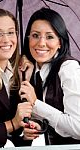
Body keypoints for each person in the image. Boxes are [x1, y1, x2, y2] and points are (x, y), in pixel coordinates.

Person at [19, 7, 80, 145]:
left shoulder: (69, 69)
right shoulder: (33, 71)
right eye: (35, 35)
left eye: (50, 36)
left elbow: (78, 127)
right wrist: (37, 127)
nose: (41, 43)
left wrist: (36, 103)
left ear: (60, 42)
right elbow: (51, 119)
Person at [0, 7, 34, 148]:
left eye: (11, 32)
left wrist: (25, 135)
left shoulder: (16, 76)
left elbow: (14, 139)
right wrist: (12, 124)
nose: (6, 40)